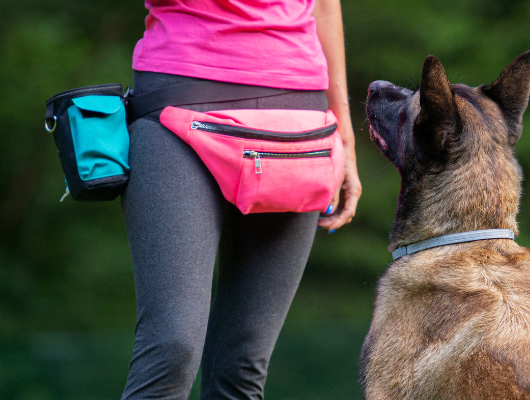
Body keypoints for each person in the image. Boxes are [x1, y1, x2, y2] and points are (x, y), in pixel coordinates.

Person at [120, 0, 361, 398]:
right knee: (171, 348)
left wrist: (346, 138)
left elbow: (325, 6)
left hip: (297, 114)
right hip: (179, 100)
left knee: (242, 366)